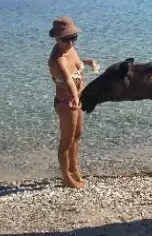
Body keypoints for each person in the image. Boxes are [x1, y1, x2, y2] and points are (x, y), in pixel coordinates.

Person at [47, 16, 99, 188]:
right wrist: (75, 97)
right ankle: (66, 177)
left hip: (77, 99)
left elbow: (76, 64)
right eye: (66, 39)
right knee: (66, 140)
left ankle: (74, 168)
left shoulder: (71, 50)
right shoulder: (57, 59)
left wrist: (88, 62)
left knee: (78, 135)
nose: (71, 42)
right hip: (66, 102)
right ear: (56, 39)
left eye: (73, 37)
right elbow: (68, 80)